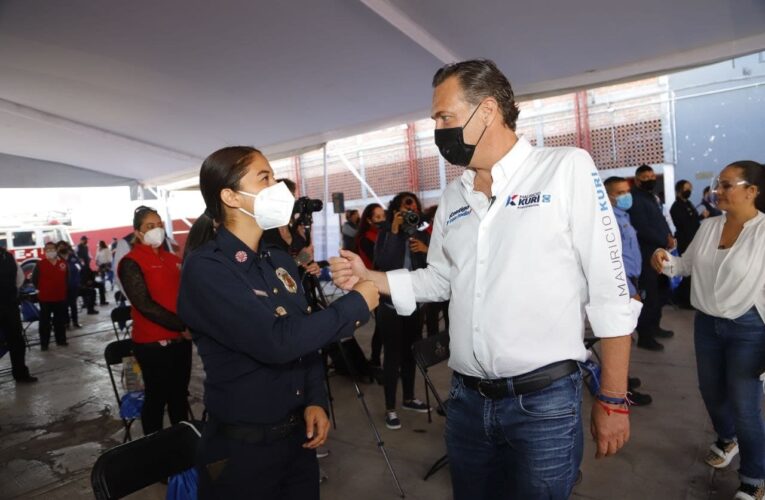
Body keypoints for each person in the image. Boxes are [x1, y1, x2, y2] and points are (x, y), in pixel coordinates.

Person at [331, 59, 637, 500]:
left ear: (488, 110)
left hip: (543, 403)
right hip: (467, 401)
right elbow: (440, 279)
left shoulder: (564, 168)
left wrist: (612, 398)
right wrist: (370, 277)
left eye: (444, 117)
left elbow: (611, 294)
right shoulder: (455, 195)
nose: (436, 128)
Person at [177, 146, 379, 500]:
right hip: (242, 449)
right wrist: (356, 304)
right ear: (229, 196)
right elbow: (278, 341)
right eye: (265, 178)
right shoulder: (207, 269)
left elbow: (305, 335)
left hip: (297, 437)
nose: (278, 188)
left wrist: (315, 398)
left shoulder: (278, 260)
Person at [652, 161, 765, 500]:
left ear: (752, 191)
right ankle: (726, 439)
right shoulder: (709, 226)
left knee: (745, 406)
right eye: (718, 184)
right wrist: (665, 259)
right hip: (706, 325)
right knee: (711, 391)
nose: (718, 190)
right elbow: (684, 265)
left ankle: (754, 476)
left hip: (749, 328)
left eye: (727, 184)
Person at [118, 206, 192, 436]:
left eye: (159, 225)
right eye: (150, 226)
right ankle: (154, 450)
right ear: (138, 232)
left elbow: (186, 294)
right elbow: (144, 304)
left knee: (179, 397)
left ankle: (182, 448)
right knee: (157, 399)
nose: (156, 230)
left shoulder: (172, 259)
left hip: (180, 342)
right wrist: (182, 325)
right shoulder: (131, 262)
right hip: (152, 345)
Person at [374, 192, 431, 429]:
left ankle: (408, 398)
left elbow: (433, 267)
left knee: (411, 354)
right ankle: (390, 408)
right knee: (393, 357)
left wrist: (426, 250)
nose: (411, 212)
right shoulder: (386, 232)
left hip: (414, 302)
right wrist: (395, 232)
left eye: (414, 208)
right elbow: (384, 264)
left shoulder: (420, 232)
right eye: (405, 209)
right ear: (396, 211)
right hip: (390, 304)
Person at [604, 176, 653, 406]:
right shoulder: (608, 221)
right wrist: (628, 289)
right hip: (624, 286)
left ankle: (622, 378)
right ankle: (620, 390)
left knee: (627, 337)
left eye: (627, 190)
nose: (626, 196)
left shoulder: (623, 216)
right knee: (622, 338)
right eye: (620, 192)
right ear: (608, 195)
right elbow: (612, 260)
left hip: (633, 281)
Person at [629, 164, 675, 351]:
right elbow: (642, 227)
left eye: (651, 175)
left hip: (661, 250)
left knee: (661, 291)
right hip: (647, 254)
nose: (650, 179)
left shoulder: (651, 198)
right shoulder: (635, 199)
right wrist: (663, 239)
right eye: (645, 177)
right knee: (650, 296)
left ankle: (655, 327)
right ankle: (645, 336)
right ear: (638, 179)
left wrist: (669, 237)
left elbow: (660, 220)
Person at [0, 245, 37, 383]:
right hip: (10, 305)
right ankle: (21, 374)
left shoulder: (8, 257)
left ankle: (21, 373)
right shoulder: (8, 256)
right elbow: (19, 279)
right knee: (16, 341)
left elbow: (19, 278)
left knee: (16, 342)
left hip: (9, 305)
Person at [355, 203, 385, 367]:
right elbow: (379, 260)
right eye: (377, 217)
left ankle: (377, 361)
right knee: (381, 328)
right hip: (375, 285)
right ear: (369, 220)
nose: (381, 220)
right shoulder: (366, 238)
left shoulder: (382, 234)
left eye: (383, 216)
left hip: (385, 283)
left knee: (384, 328)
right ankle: (375, 361)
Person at [670, 180, 703, 308]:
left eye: (690, 188)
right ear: (679, 190)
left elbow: (693, 220)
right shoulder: (676, 206)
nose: (689, 191)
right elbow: (685, 223)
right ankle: (683, 300)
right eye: (686, 189)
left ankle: (690, 298)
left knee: (693, 271)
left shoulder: (688, 203)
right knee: (686, 270)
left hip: (693, 239)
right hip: (685, 241)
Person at [32, 241, 68, 350]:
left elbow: (66, 278)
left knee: (60, 321)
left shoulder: (63, 263)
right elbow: (35, 280)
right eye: (48, 249)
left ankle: (61, 340)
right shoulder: (40, 264)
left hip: (60, 297)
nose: (50, 251)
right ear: (44, 251)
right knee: (44, 323)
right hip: (45, 298)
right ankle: (44, 344)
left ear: (56, 250)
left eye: (52, 249)